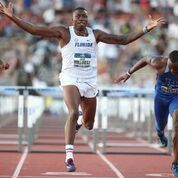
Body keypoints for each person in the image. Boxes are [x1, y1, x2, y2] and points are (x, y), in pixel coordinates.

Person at [0, 2, 166, 172]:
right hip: (70, 78)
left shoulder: (96, 35)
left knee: (89, 124)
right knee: (72, 112)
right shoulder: (64, 32)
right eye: (78, 16)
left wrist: (147, 28)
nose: (81, 19)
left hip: (89, 81)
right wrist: (12, 16)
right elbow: (34, 30)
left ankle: (81, 119)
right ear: (72, 20)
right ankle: (69, 157)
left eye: (84, 16)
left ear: (87, 19)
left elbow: (123, 40)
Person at [115, 50, 178, 177]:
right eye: (171, 69)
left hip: (175, 98)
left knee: (177, 124)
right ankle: (160, 133)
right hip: (160, 98)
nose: (172, 72)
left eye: (176, 71)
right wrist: (128, 73)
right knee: (161, 124)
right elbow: (144, 59)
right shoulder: (159, 62)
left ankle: (176, 162)